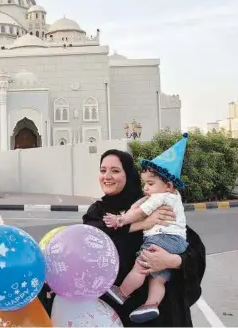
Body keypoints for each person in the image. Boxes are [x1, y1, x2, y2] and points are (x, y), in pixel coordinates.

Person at [82, 149, 205, 327]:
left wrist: (171, 261)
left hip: (161, 315)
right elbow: (93, 242)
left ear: (129, 174)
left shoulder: (154, 201)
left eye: (115, 171)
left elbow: (194, 248)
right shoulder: (98, 212)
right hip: (116, 313)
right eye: (103, 170)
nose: (107, 176)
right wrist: (142, 224)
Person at [103, 135, 189, 323]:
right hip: (177, 242)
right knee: (157, 278)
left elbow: (140, 212)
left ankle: (122, 293)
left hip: (160, 239)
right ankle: (151, 304)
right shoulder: (173, 197)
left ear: (168, 185)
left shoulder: (159, 198)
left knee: (140, 267)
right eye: (103, 170)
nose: (146, 189)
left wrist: (121, 220)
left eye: (116, 170)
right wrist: (145, 221)